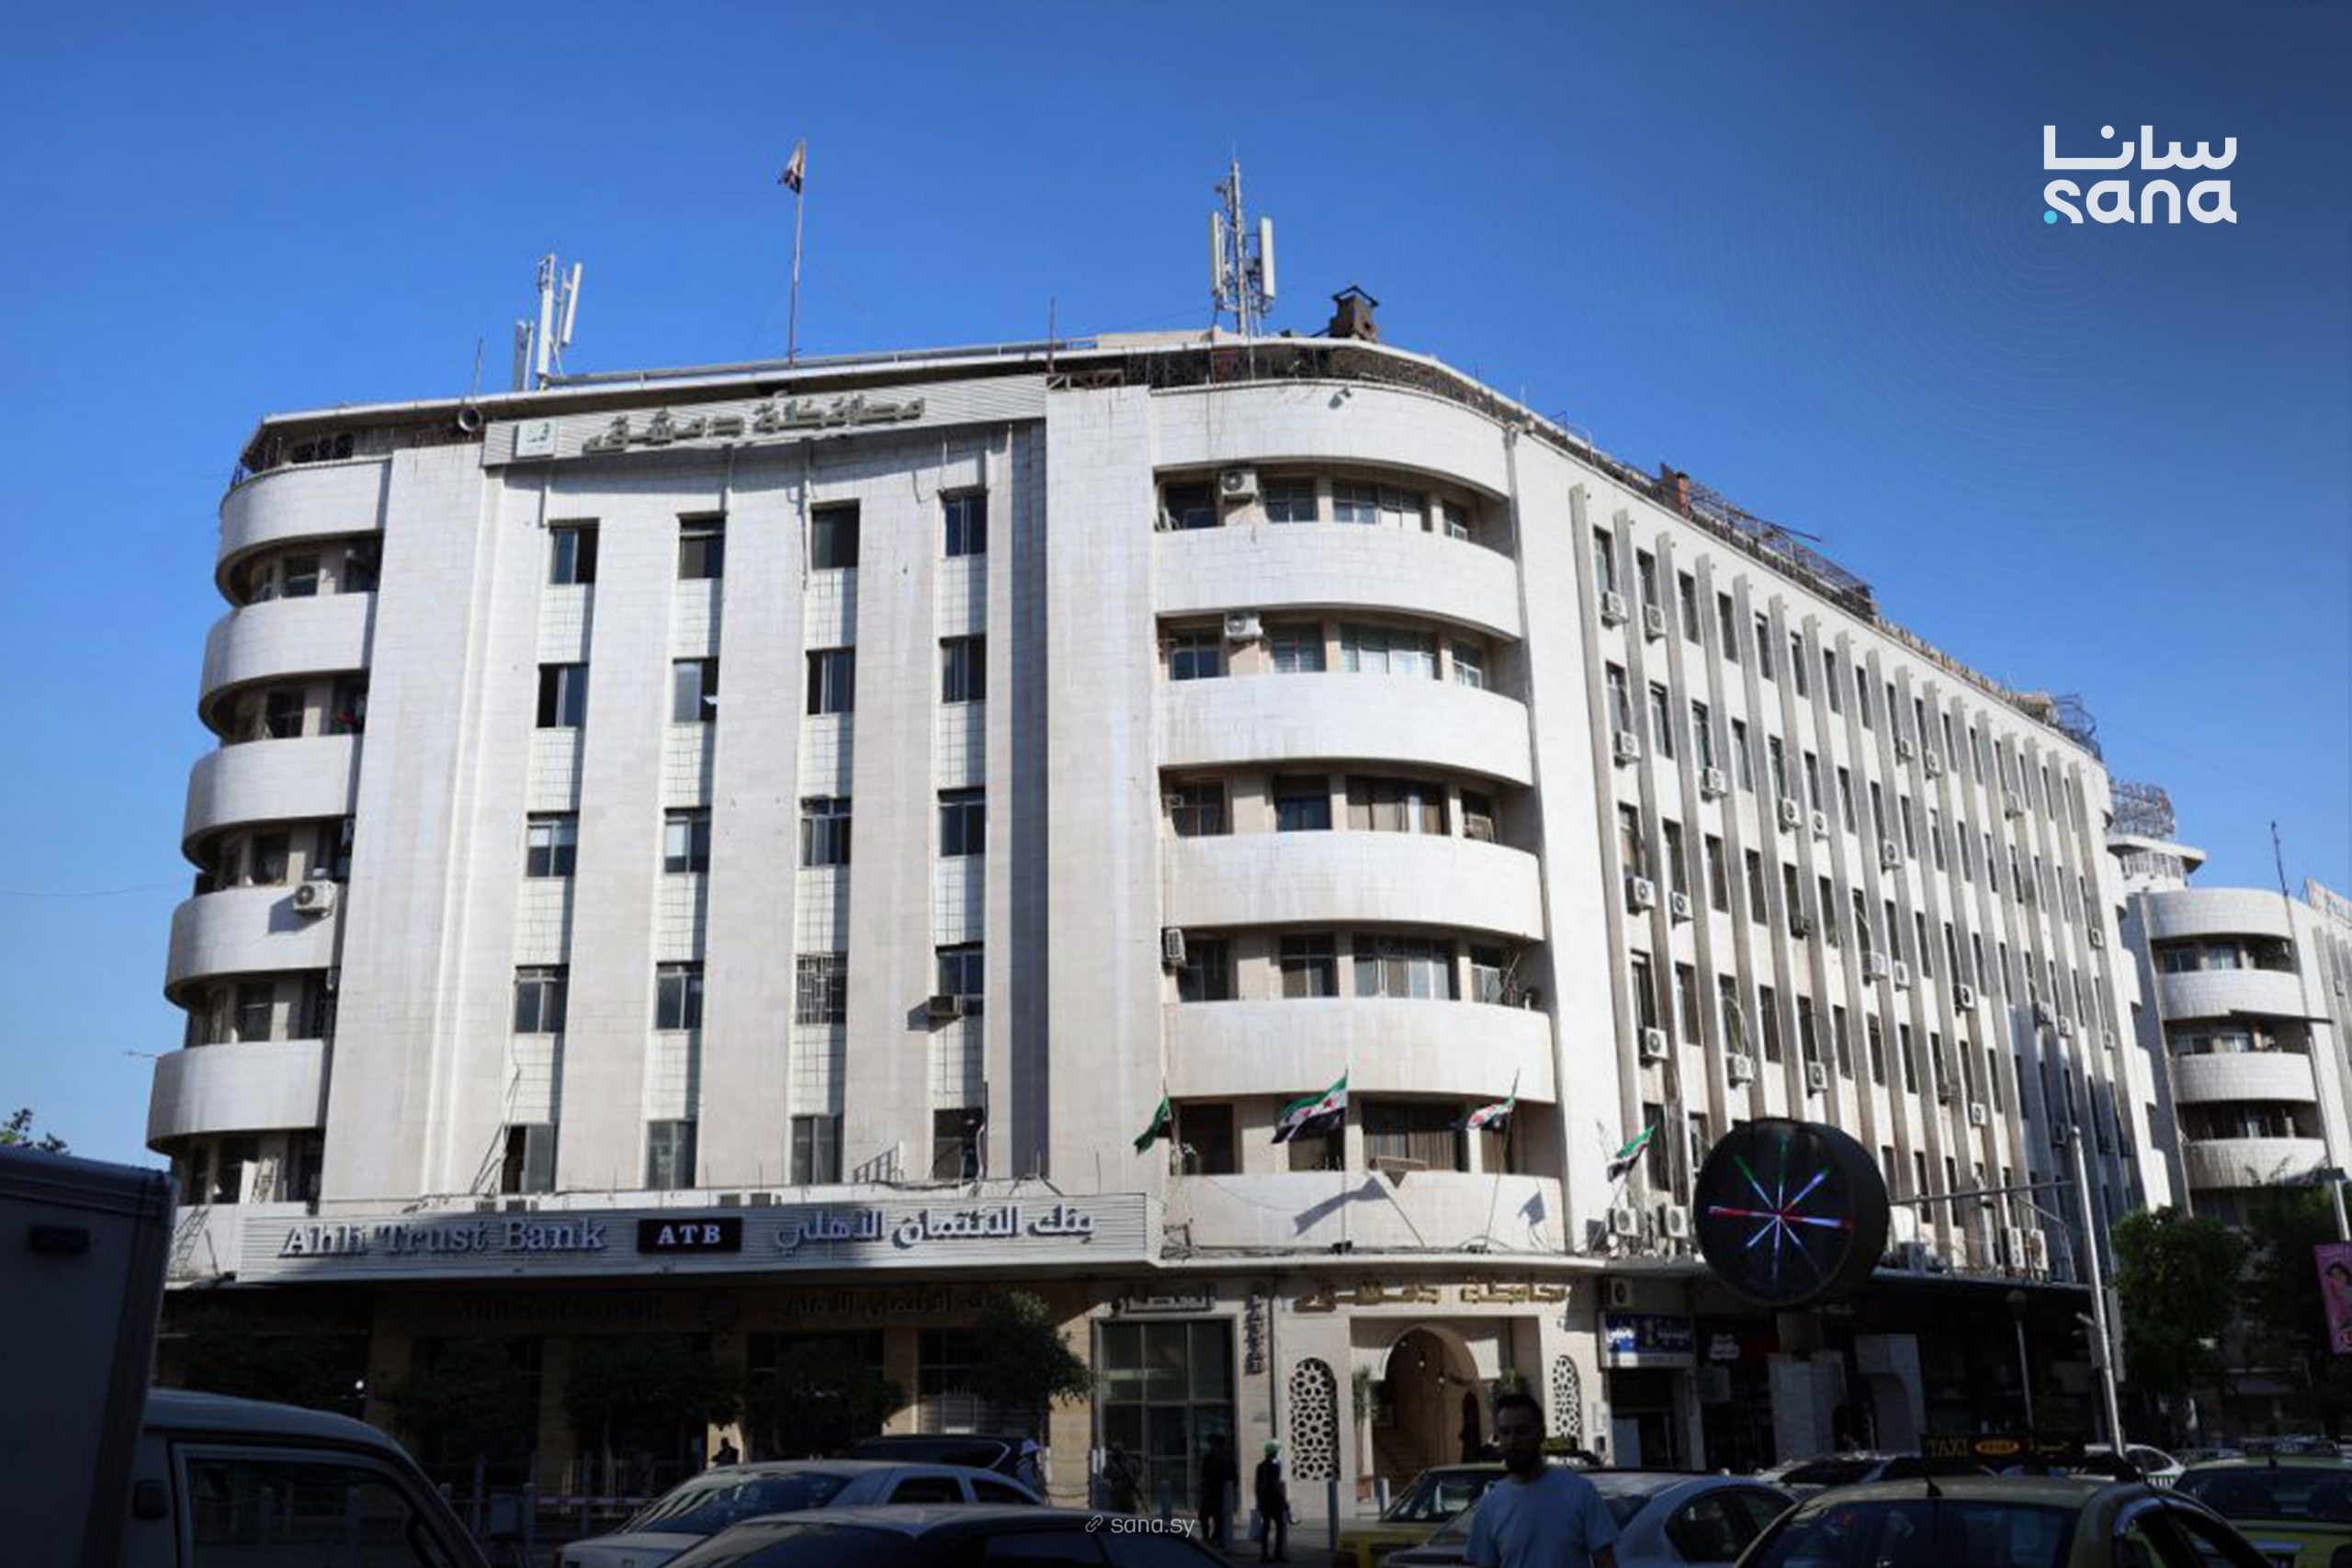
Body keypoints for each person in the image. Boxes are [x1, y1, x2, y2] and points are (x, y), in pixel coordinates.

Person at [1464, 1391, 1619, 1568]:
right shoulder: (1490, 1505)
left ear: (1541, 1433)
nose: (1512, 1441)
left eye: (1521, 1431)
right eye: (1505, 1433)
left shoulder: (1580, 1492)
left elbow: (1606, 1561)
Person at [1199, 1433, 1238, 1549]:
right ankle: (1208, 1537)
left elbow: (1231, 1475)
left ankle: (1215, 1538)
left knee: (1218, 1518)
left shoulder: (1225, 1458)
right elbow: (1204, 1474)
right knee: (1205, 1516)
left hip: (1219, 1492)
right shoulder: (1209, 1457)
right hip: (1211, 1491)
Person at [1254, 1440, 1291, 1563]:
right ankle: (1278, 1553)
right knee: (1280, 1526)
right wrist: (1284, 1501)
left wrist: (1259, 1500)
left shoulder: (1260, 1467)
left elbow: (1257, 1486)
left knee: (1266, 1527)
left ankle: (1264, 1553)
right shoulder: (1274, 1467)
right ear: (1274, 1453)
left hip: (1264, 1500)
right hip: (1274, 1500)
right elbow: (1276, 1485)